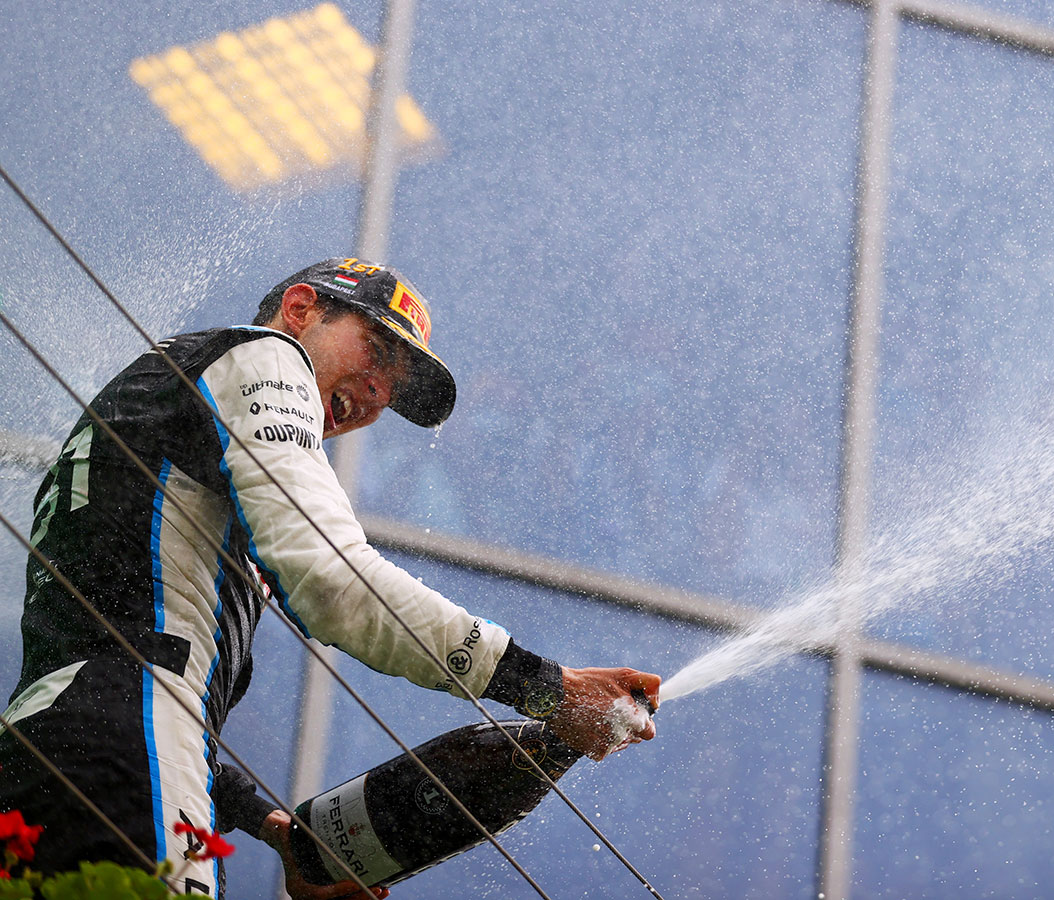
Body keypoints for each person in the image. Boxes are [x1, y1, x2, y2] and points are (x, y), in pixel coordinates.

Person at [0, 258, 661, 898]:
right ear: (300, 310)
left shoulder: (182, 397)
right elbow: (332, 580)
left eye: (393, 390)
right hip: (126, 745)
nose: (377, 394)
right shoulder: (263, 356)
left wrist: (266, 824)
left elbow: (113, 657)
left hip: (42, 751)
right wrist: (549, 688)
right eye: (375, 353)